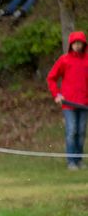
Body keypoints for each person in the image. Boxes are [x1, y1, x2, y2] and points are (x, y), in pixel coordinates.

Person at [47, 31, 88, 170]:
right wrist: (56, 95)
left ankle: (79, 160)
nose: (77, 46)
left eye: (80, 43)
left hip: (84, 104)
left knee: (81, 132)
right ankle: (71, 161)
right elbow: (51, 78)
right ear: (71, 45)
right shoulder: (64, 60)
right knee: (71, 130)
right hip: (68, 104)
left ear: (84, 44)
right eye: (75, 43)